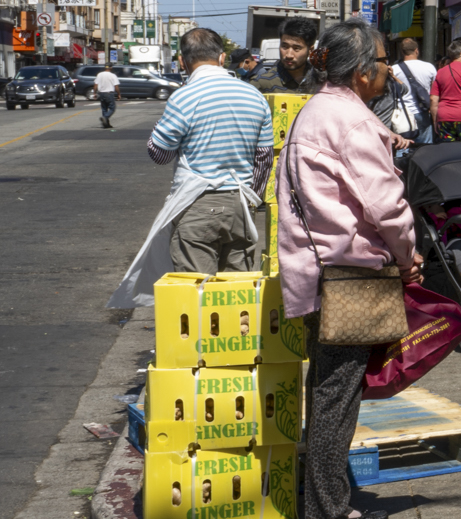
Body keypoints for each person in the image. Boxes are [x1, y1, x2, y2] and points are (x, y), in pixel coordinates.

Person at [275, 19, 422, 519]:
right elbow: (387, 207)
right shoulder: (352, 122)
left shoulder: (318, 109)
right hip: (346, 278)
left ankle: (332, 502)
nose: (387, 70)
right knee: (336, 399)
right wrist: (409, 258)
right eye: (383, 62)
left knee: (334, 394)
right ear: (362, 72)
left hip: (318, 273)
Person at [107, 29, 274, 307]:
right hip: (240, 207)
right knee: (239, 294)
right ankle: (236, 348)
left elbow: (159, 154)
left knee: (199, 294)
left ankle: (202, 350)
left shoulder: (183, 98)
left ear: (183, 63)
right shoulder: (254, 97)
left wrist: (160, 128)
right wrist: (250, 199)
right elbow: (264, 157)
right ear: (222, 57)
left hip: (196, 206)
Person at [254, 18, 323, 94]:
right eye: (284, 46)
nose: (289, 55)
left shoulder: (321, 82)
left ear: (310, 50)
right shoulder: (262, 83)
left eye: (296, 48)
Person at [389, 36, 437, 144]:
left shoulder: (394, 69)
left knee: (402, 145)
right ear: (416, 50)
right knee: (425, 147)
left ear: (402, 52)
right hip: (423, 112)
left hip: (402, 113)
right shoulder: (429, 67)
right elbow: (434, 93)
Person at [94, 63, 120, 128]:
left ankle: (106, 124)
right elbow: (116, 86)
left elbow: (95, 84)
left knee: (104, 108)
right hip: (109, 93)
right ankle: (105, 117)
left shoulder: (99, 74)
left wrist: (94, 93)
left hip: (101, 93)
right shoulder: (113, 75)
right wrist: (118, 94)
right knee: (112, 108)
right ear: (111, 68)